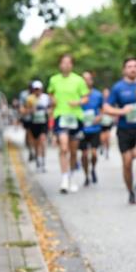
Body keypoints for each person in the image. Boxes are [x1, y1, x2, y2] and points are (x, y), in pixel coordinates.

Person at [105, 58, 136, 204]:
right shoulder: (118, 87)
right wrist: (121, 111)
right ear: (124, 70)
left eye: (135, 66)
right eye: (129, 66)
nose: (133, 69)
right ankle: (130, 191)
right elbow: (106, 108)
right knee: (127, 163)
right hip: (124, 130)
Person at [47, 54, 89, 194]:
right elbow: (50, 94)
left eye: (68, 63)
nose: (65, 65)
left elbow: (85, 98)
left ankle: (72, 175)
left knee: (73, 150)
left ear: (72, 65)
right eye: (63, 62)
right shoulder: (54, 80)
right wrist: (52, 100)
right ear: (60, 65)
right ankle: (64, 178)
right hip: (61, 116)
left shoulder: (79, 80)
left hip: (75, 117)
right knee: (63, 148)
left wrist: (78, 102)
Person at [79, 71, 104, 186]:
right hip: (82, 129)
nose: (86, 81)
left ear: (91, 81)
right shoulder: (77, 94)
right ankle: (86, 175)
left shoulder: (98, 95)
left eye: (88, 79)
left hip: (95, 128)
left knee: (94, 154)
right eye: (84, 79)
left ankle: (93, 168)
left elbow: (102, 109)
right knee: (84, 155)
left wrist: (99, 117)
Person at [24, 80, 51, 172]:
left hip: (43, 122)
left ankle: (43, 162)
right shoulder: (29, 98)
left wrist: (48, 112)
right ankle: (38, 161)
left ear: (41, 89)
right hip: (34, 123)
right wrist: (31, 110)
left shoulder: (46, 98)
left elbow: (51, 108)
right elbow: (25, 111)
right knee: (36, 144)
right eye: (35, 89)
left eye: (38, 89)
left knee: (42, 141)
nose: (37, 91)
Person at [99, 86, 113, 159]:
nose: (106, 94)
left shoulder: (111, 101)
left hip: (109, 121)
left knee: (107, 138)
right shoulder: (100, 101)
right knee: (102, 138)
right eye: (105, 92)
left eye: (107, 92)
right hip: (101, 121)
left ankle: (107, 151)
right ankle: (101, 146)